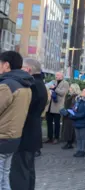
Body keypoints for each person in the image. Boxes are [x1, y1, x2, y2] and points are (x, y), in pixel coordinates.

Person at [10, 58, 47, 190]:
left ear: (27, 70)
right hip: (32, 131)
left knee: (20, 170)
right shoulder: (39, 83)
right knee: (28, 168)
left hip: (26, 132)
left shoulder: (31, 85)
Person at [0, 51, 33, 189]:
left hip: (2, 137)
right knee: (4, 175)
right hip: (13, 137)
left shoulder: (7, 86)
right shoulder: (25, 85)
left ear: (6, 65)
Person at [67, 88, 85, 157]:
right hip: (77, 121)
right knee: (78, 137)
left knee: (83, 137)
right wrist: (70, 113)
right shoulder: (78, 100)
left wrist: (76, 116)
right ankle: (79, 150)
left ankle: (83, 151)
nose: (83, 92)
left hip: (84, 122)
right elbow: (74, 109)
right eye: (83, 91)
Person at [45, 72, 69, 144]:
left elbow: (62, 93)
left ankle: (56, 137)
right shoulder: (53, 82)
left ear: (62, 76)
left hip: (57, 106)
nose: (56, 76)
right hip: (49, 105)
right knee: (49, 122)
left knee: (57, 123)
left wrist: (54, 88)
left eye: (58, 75)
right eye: (56, 75)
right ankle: (49, 137)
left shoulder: (65, 83)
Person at [61, 83, 81, 150]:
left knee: (69, 130)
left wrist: (68, 111)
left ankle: (69, 143)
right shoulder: (70, 96)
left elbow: (74, 107)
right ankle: (69, 143)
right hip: (67, 114)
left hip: (70, 115)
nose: (69, 88)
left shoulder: (75, 97)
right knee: (67, 129)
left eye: (70, 87)